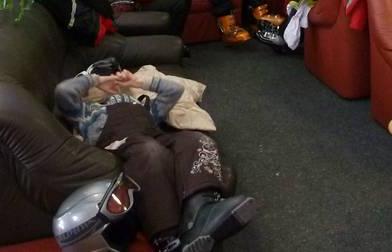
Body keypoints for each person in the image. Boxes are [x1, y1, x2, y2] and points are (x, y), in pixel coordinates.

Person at [55, 62, 256, 252]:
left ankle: (201, 212)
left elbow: (175, 90)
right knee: (151, 152)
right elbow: (63, 91)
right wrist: (97, 80)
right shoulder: (87, 113)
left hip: (155, 138)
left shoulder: (144, 107)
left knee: (196, 140)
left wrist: (138, 82)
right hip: (121, 145)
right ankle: (168, 241)